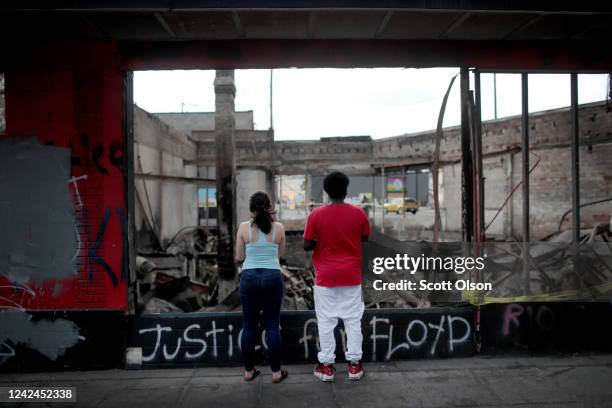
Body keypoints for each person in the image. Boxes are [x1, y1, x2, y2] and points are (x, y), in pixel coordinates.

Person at [304, 171, 371, 382]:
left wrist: (321, 241)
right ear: (346, 189)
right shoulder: (359, 213)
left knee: (326, 322)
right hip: (351, 276)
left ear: (325, 191)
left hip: (325, 277)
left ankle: (326, 367)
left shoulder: (315, 215)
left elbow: (306, 244)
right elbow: (365, 237)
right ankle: (354, 365)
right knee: (353, 321)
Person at [235, 191, 288, 384]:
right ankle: (276, 373)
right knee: (273, 326)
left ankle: (249, 372)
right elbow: (281, 255)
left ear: (251, 209)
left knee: (249, 327)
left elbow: (239, 257)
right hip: (272, 276)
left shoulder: (243, 228)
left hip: (249, 277)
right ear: (269, 207)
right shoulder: (279, 228)